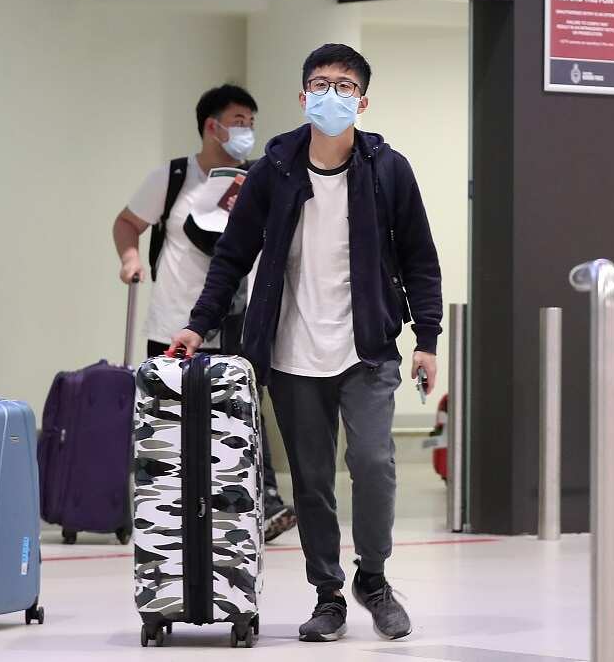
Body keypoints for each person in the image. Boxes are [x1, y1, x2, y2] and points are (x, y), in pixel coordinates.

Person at [171, 44, 443, 643]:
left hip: (367, 347)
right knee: (312, 483)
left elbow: (421, 257)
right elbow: (233, 256)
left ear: (363, 101)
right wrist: (199, 323)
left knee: (374, 464)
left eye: (345, 86)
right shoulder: (274, 170)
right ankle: (328, 595)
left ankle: (372, 577)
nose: (332, 94)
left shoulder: (387, 169)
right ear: (302, 97)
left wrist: (427, 336)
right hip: (291, 353)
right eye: (321, 84)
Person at [113, 84, 298, 541]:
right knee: (170, 417)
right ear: (210, 125)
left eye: (252, 123)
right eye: (238, 121)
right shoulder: (173, 177)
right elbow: (127, 223)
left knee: (243, 411)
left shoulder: (256, 179)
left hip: (238, 318)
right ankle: (165, 509)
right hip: (176, 319)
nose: (246, 131)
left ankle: (260, 504)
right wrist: (130, 258)